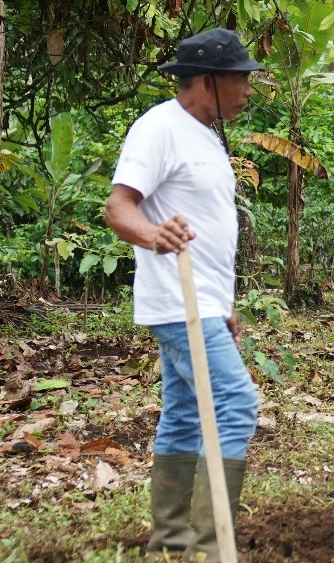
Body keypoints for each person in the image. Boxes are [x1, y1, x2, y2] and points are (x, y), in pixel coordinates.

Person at [104, 28, 263, 561]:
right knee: (237, 404)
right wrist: (151, 235)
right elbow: (119, 207)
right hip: (175, 301)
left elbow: (210, 224)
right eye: (240, 80)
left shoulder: (207, 134)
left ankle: (170, 540)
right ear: (207, 81)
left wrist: (223, 305)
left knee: (183, 414)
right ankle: (211, 545)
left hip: (202, 300)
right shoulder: (159, 129)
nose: (247, 90)